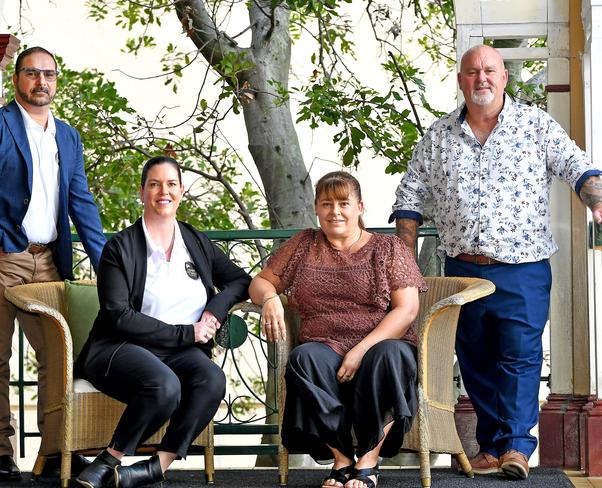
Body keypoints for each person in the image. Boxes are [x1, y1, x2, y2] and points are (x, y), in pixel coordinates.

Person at [390, 44, 602, 480]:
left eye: (490, 70)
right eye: (472, 72)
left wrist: (597, 202)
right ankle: (491, 447)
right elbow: (409, 197)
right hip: (463, 270)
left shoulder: (535, 125)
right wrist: (403, 266)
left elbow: (577, 168)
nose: (481, 78)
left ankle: (517, 448)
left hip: (522, 267)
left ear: (504, 77)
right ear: (461, 80)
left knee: (519, 356)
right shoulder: (438, 137)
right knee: (475, 358)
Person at [0, 46, 106, 481]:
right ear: (16, 80)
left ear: (57, 81)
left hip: (49, 262)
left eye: (49, 74)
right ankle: (0, 452)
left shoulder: (67, 136)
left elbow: (81, 202)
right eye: (32, 73)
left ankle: (56, 450)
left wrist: (105, 263)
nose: (41, 81)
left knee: (59, 357)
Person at [73, 155, 251, 488]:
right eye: (154, 184)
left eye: (171, 184)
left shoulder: (194, 241)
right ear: (142, 193)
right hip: (122, 347)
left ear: (181, 191)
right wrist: (189, 332)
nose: (163, 191)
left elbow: (240, 281)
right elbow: (118, 315)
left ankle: (157, 467)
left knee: (211, 379)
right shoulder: (120, 247)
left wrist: (213, 312)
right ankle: (109, 459)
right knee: (165, 385)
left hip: (181, 350)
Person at [249, 172, 426, 488]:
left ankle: (368, 461)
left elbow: (407, 310)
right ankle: (342, 458)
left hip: (381, 344)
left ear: (360, 207)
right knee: (304, 359)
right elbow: (260, 282)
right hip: (325, 344)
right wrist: (271, 298)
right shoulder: (304, 244)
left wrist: (359, 351)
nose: (335, 212)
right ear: (316, 208)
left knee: (389, 355)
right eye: (326, 204)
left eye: (344, 203)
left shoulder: (388, 248)